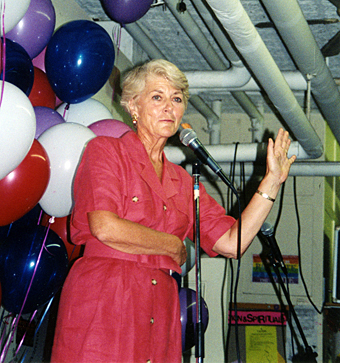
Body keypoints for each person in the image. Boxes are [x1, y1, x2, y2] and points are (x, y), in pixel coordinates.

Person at [51, 59, 296, 363]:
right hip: (107, 298)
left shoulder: (182, 181)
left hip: (161, 306)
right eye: (157, 97)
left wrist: (271, 182)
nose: (169, 107)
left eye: (177, 99)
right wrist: (172, 245)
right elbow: (104, 226)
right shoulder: (106, 151)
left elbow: (232, 243)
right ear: (133, 107)